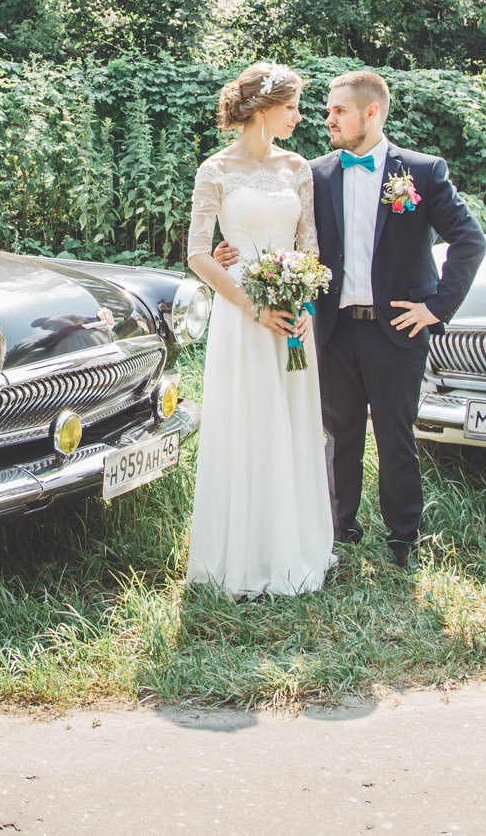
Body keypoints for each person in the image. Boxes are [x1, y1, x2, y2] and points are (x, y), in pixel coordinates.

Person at [215, 71, 486, 569]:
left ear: (371, 113)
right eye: (326, 110)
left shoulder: (422, 173)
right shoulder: (313, 174)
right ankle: (338, 529)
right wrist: (233, 253)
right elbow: (291, 241)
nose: (328, 119)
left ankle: (403, 538)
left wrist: (435, 307)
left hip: (398, 328)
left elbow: (471, 241)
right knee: (338, 434)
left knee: (395, 435)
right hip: (332, 329)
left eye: (338, 111)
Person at [182, 62, 337, 598]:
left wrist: (302, 300)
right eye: (293, 107)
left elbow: (310, 246)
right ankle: (243, 554)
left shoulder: (297, 168)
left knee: (292, 420)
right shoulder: (215, 169)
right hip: (242, 312)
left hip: (292, 310)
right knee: (248, 419)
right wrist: (254, 306)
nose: (299, 116)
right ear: (266, 108)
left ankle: (294, 545)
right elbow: (199, 254)